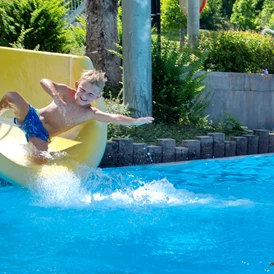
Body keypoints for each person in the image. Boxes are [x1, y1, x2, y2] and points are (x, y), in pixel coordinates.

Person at [0, 69, 154, 163]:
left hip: (41, 135)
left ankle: (27, 150)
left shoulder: (90, 113)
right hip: (31, 117)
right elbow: (44, 81)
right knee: (11, 96)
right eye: (82, 90)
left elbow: (114, 118)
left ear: (97, 96)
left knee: (40, 159)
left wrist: (135, 121)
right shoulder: (66, 93)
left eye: (90, 94)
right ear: (76, 86)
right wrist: (56, 97)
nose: (84, 96)